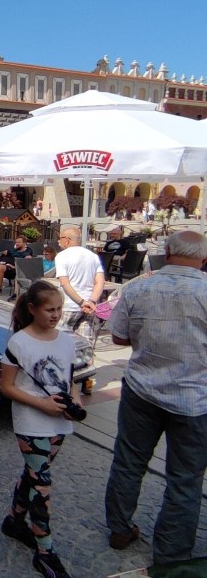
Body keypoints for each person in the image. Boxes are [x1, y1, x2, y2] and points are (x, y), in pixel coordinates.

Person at [104, 231, 207, 567]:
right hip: (195, 399)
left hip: (142, 389)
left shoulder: (138, 287)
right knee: (186, 479)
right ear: (203, 258)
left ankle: (119, 529)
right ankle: (171, 554)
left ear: (166, 252)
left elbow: (118, 335)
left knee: (129, 461)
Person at [0, 281, 79, 578]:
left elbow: (71, 379)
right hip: (31, 422)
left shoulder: (67, 340)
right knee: (42, 485)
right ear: (32, 309)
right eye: (50, 309)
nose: (56, 314)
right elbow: (5, 387)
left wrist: (76, 400)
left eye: (59, 309)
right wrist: (40, 404)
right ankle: (45, 553)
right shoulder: (19, 342)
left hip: (60, 421)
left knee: (33, 476)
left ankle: (14, 520)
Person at [55, 226, 104, 338]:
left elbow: (64, 283)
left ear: (67, 240)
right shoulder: (93, 256)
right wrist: (91, 301)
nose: (59, 241)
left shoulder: (62, 256)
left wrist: (82, 302)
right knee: (84, 346)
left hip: (69, 306)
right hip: (89, 307)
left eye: (60, 238)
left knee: (60, 343)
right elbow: (100, 282)